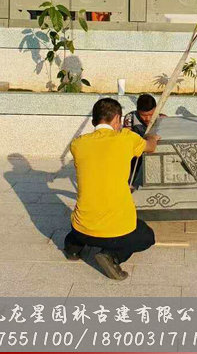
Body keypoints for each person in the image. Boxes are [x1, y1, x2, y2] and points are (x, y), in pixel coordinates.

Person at [64, 97, 161, 279]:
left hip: (81, 228)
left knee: (80, 226)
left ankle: (72, 248)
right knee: (146, 236)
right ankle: (111, 255)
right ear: (117, 118)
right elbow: (151, 147)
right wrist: (152, 137)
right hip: (116, 231)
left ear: (94, 120)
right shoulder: (126, 139)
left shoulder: (77, 144)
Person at [123, 93, 165, 190]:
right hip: (135, 157)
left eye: (151, 114)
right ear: (138, 111)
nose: (148, 118)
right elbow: (127, 139)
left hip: (155, 156)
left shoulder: (162, 118)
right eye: (144, 115)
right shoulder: (130, 118)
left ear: (156, 109)